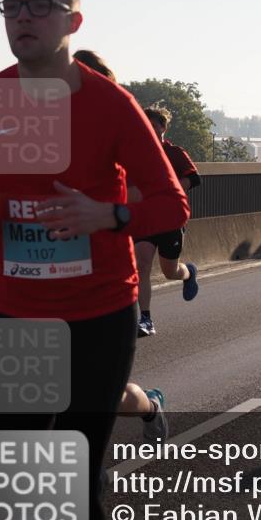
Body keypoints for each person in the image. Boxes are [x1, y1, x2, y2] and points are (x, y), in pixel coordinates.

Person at [0, 0, 189, 520]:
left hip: (100, 313)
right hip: (22, 312)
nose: (22, 17)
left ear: (72, 22)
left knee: (77, 470)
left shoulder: (112, 105)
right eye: (11, 5)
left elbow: (171, 204)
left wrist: (108, 216)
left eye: (39, 5)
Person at [72, 50, 170, 442]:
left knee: (102, 394)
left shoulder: (123, 141)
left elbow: (167, 204)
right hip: (46, 290)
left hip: (105, 287)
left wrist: (111, 214)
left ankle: (148, 406)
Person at [134, 105, 200, 336]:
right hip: (145, 219)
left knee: (169, 272)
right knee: (141, 265)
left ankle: (189, 273)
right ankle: (146, 319)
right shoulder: (136, 154)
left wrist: (166, 191)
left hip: (171, 219)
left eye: (153, 126)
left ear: (163, 127)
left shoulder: (175, 153)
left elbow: (193, 179)